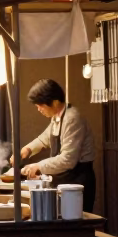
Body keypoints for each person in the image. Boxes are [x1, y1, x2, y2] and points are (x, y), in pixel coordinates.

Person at [13, 78, 98, 213]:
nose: (38, 109)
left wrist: (38, 166)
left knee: (74, 226)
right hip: (64, 179)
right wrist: (27, 149)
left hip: (77, 181)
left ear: (55, 102)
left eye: (40, 105)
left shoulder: (72, 118)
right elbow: (45, 138)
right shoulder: (57, 117)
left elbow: (67, 159)